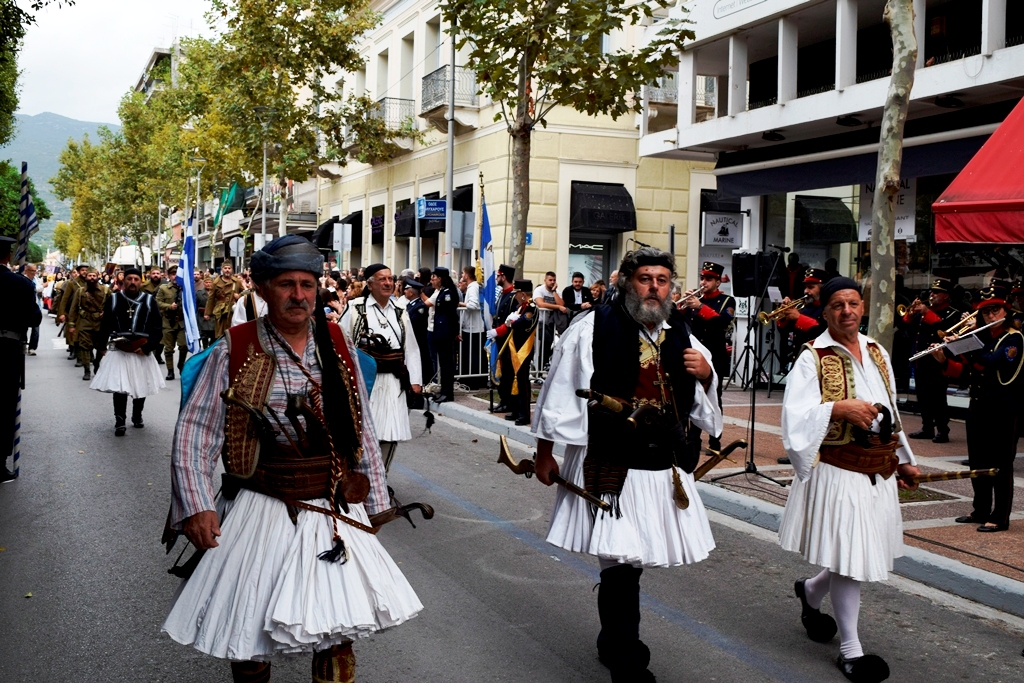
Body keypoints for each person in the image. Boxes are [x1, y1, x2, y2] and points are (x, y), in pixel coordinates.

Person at [162, 235, 421, 681]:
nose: (299, 295)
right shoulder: (236, 347)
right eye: (286, 284)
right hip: (260, 502)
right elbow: (195, 434)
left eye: (307, 284)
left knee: (338, 628)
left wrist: (376, 505)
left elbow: (362, 429)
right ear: (262, 289)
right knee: (248, 632)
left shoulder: (338, 345)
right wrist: (198, 506)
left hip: (331, 506)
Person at [530, 247, 721, 682]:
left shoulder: (682, 333)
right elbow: (559, 392)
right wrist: (545, 452)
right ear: (626, 283)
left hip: (659, 463)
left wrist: (707, 374)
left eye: (662, 279)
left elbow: (702, 405)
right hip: (609, 458)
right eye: (645, 279)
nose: (654, 287)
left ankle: (612, 640)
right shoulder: (593, 326)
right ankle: (625, 653)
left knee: (632, 561)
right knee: (618, 564)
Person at [779, 276, 920, 683]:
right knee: (849, 560)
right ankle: (851, 651)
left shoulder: (877, 352)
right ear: (824, 312)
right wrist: (836, 408)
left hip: (877, 469)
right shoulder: (813, 356)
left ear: (863, 307)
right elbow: (794, 418)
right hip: (839, 468)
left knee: (853, 555)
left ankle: (809, 591)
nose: (847, 311)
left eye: (853, 303)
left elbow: (890, 410)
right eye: (838, 305)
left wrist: (905, 459)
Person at [932, 285, 1022, 532]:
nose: (990, 316)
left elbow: (991, 363)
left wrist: (965, 343)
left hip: (1003, 411)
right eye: (985, 312)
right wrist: (944, 360)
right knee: (978, 463)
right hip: (978, 408)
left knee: (1000, 465)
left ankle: (1000, 516)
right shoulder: (981, 340)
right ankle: (980, 510)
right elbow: (968, 373)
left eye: (995, 310)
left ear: (1006, 310)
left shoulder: (1014, 339)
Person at [339, 263, 422, 473]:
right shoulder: (356, 308)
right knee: (366, 432)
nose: (387, 283)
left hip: (394, 380)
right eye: (382, 279)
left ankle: (381, 479)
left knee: (391, 432)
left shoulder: (400, 311)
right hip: (366, 380)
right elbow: (339, 342)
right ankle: (359, 478)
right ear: (370, 283)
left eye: (390, 279)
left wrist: (415, 381)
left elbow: (411, 347)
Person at [91, 268, 165, 435]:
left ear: (141, 281)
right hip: (120, 349)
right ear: (124, 281)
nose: (133, 282)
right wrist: (101, 346)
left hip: (141, 349)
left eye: (136, 279)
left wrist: (147, 347)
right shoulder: (114, 299)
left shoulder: (149, 300)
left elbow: (157, 327)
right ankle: (120, 420)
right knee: (120, 386)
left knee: (140, 385)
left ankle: (137, 415)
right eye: (129, 279)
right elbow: (106, 324)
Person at [679, 261, 734, 452]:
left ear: (718, 282)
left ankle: (715, 439)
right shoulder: (694, 298)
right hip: (694, 353)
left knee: (713, 396)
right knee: (692, 393)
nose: (704, 282)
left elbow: (723, 323)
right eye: (703, 278)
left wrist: (700, 306)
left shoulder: (727, 301)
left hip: (715, 355)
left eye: (709, 279)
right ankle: (693, 439)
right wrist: (683, 306)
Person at [0, 237, 42, 482]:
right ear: (7, 257)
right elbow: (34, 319)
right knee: (4, 405)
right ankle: (0, 461)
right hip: (6, 350)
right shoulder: (20, 284)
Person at [904, 277, 960, 443]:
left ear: (946, 295)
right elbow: (907, 327)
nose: (932, 294)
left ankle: (943, 430)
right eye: (932, 291)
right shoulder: (924, 312)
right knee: (923, 396)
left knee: (938, 398)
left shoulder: (952, 313)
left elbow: (941, 329)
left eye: (937, 292)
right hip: (921, 360)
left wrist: (925, 312)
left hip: (938, 361)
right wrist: (911, 313)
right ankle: (927, 427)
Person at [488, 279, 538, 426]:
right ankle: (516, 409)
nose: (515, 296)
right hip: (515, 347)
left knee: (522, 382)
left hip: (524, 349)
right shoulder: (521, 306)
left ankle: (524, 414)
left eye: (517, 293)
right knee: (514, 379)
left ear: (522, 294)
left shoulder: (532, 307)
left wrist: (512, 322)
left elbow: (525, 323)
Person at [67, 268, 111, 381]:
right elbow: (73, 309)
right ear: (86, 277)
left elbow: (112, 306)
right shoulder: (81, 291)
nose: (92, 278)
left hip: (100, 324)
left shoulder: (105, 291)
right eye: (89, 275)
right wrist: (71, 325)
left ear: (98, 276)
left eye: (94, 276)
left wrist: (106, 313)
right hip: (85, 322)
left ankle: (97, 363)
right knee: (85, 347)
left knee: (101, 347)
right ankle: (87, 370)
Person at [424, 266, 459, 402]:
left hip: (445, 332)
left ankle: (447, 393)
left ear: (440, 278)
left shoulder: (448, 293)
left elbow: (451, 315)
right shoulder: (441, 292)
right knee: (444, 363)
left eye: (434, 277)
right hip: (440, 332)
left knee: (447, 364)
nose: (433, 280)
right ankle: (444, 391)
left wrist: (455, 332)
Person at [490, 264, 517, 413]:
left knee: (507, 372)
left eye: (498, 276)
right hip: (500, 338)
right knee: (501, 370)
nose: (497, 278)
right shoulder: (502, 294)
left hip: (508, 339)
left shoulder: (513, 296)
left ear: (504, 277)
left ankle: (508, 401)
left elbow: (511, 320)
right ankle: (503, 399)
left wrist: (497, 331)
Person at [156, 265, 189, 381]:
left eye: (177, 274)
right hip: (168, 322)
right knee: (168, 348)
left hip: (181, 322)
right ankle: (170, 371)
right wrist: (169, 306)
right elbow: (157, 302)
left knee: (183, 346)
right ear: (169, 276)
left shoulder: (186, 288)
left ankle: (181, 365)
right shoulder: (163, 288)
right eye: (173, 274)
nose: (175, 276)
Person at [533, 271, 567, 370]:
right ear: (545, 280)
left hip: (551, 323)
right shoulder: (539, 290)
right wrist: (557, 307)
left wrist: (554, 292)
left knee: (548, 344)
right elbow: (541, 304)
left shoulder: (557, 291)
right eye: (550, 280)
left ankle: (541, 366)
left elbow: (561, 304)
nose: (552, 282)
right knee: (546, 341)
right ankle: (539, 366)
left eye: (554, 280)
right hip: (539, 322)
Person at [458, 266, 486, 384]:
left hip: (473, 328)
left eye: (463, 273)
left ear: (467, 275)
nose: (462, 275)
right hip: (472, 327)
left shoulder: (473, 287)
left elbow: (473, 305)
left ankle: (473, 381)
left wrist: (459, 303)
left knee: (473, 356)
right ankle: (475, 379)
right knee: (474, 355)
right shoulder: (474, 287)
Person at [55, 264, 88, 363]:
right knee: (73, 334)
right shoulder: (71, 283)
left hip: (87, 313)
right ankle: (75, 352)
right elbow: (64, 299)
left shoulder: (90, 282)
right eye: (82, 270)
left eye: (86, 270)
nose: (85, 272)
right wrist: (62, 313)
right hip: (74, 312)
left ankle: (87, 355)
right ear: (78, 271)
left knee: (86, 335)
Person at [205, 262, 245, 339]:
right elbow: (211, 298)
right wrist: (207, 313)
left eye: (229, 268)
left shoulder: (237, 282)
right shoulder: (216, 282)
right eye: (225, 268)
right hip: (220, 311)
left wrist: (239, 296)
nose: (227, 270)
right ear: (222, 269)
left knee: (232, 332)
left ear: (232, 270)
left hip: (233, 310)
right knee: (220, 333)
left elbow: (245, 293)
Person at [20, 263, 42, 356]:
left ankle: (32, 347)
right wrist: (38, 288)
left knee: (36, 329)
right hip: (25, 308)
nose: (34, 272)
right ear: (26, 270)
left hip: (36, 308)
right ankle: (23, 344)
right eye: (32, 270)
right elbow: (34, 288)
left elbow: (40, 289)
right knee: (23, 328)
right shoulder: (22, 279)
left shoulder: (37, 280)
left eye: (35, 270)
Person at [194, 273, 215, 349]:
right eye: (206, 282)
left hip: (213, 317)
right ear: (204, 283)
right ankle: (205, 349)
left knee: (214, 335)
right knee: (204, 335)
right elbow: (195, 305)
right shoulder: (199, 293)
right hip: (202, 317)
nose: (208, 284)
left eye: (210, 282)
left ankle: (210, 348)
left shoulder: (215, 293)